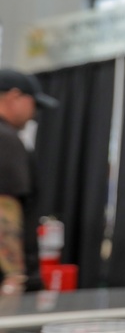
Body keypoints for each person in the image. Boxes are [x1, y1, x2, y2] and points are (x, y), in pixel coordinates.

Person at [0, 69, 58, 294]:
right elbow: (4, 209)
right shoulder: (5, 140)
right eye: (33, 104)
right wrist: (14, 279)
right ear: (15, 97)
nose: (34, 114)